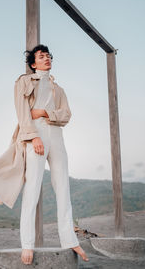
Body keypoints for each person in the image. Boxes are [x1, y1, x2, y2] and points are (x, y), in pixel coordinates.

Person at [15, 44, 89, 265]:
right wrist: (33, 136)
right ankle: (27, 244)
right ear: (33, 63)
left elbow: (66, 115)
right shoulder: (24, 81)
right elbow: (22, 112)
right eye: (41, 56)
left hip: (56, 135)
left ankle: (69, 239)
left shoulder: (59, 89)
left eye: (48, 56)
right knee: (32, 188)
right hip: (35, 134)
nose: (46, 58)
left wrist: (45, 112)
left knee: (63, 187)